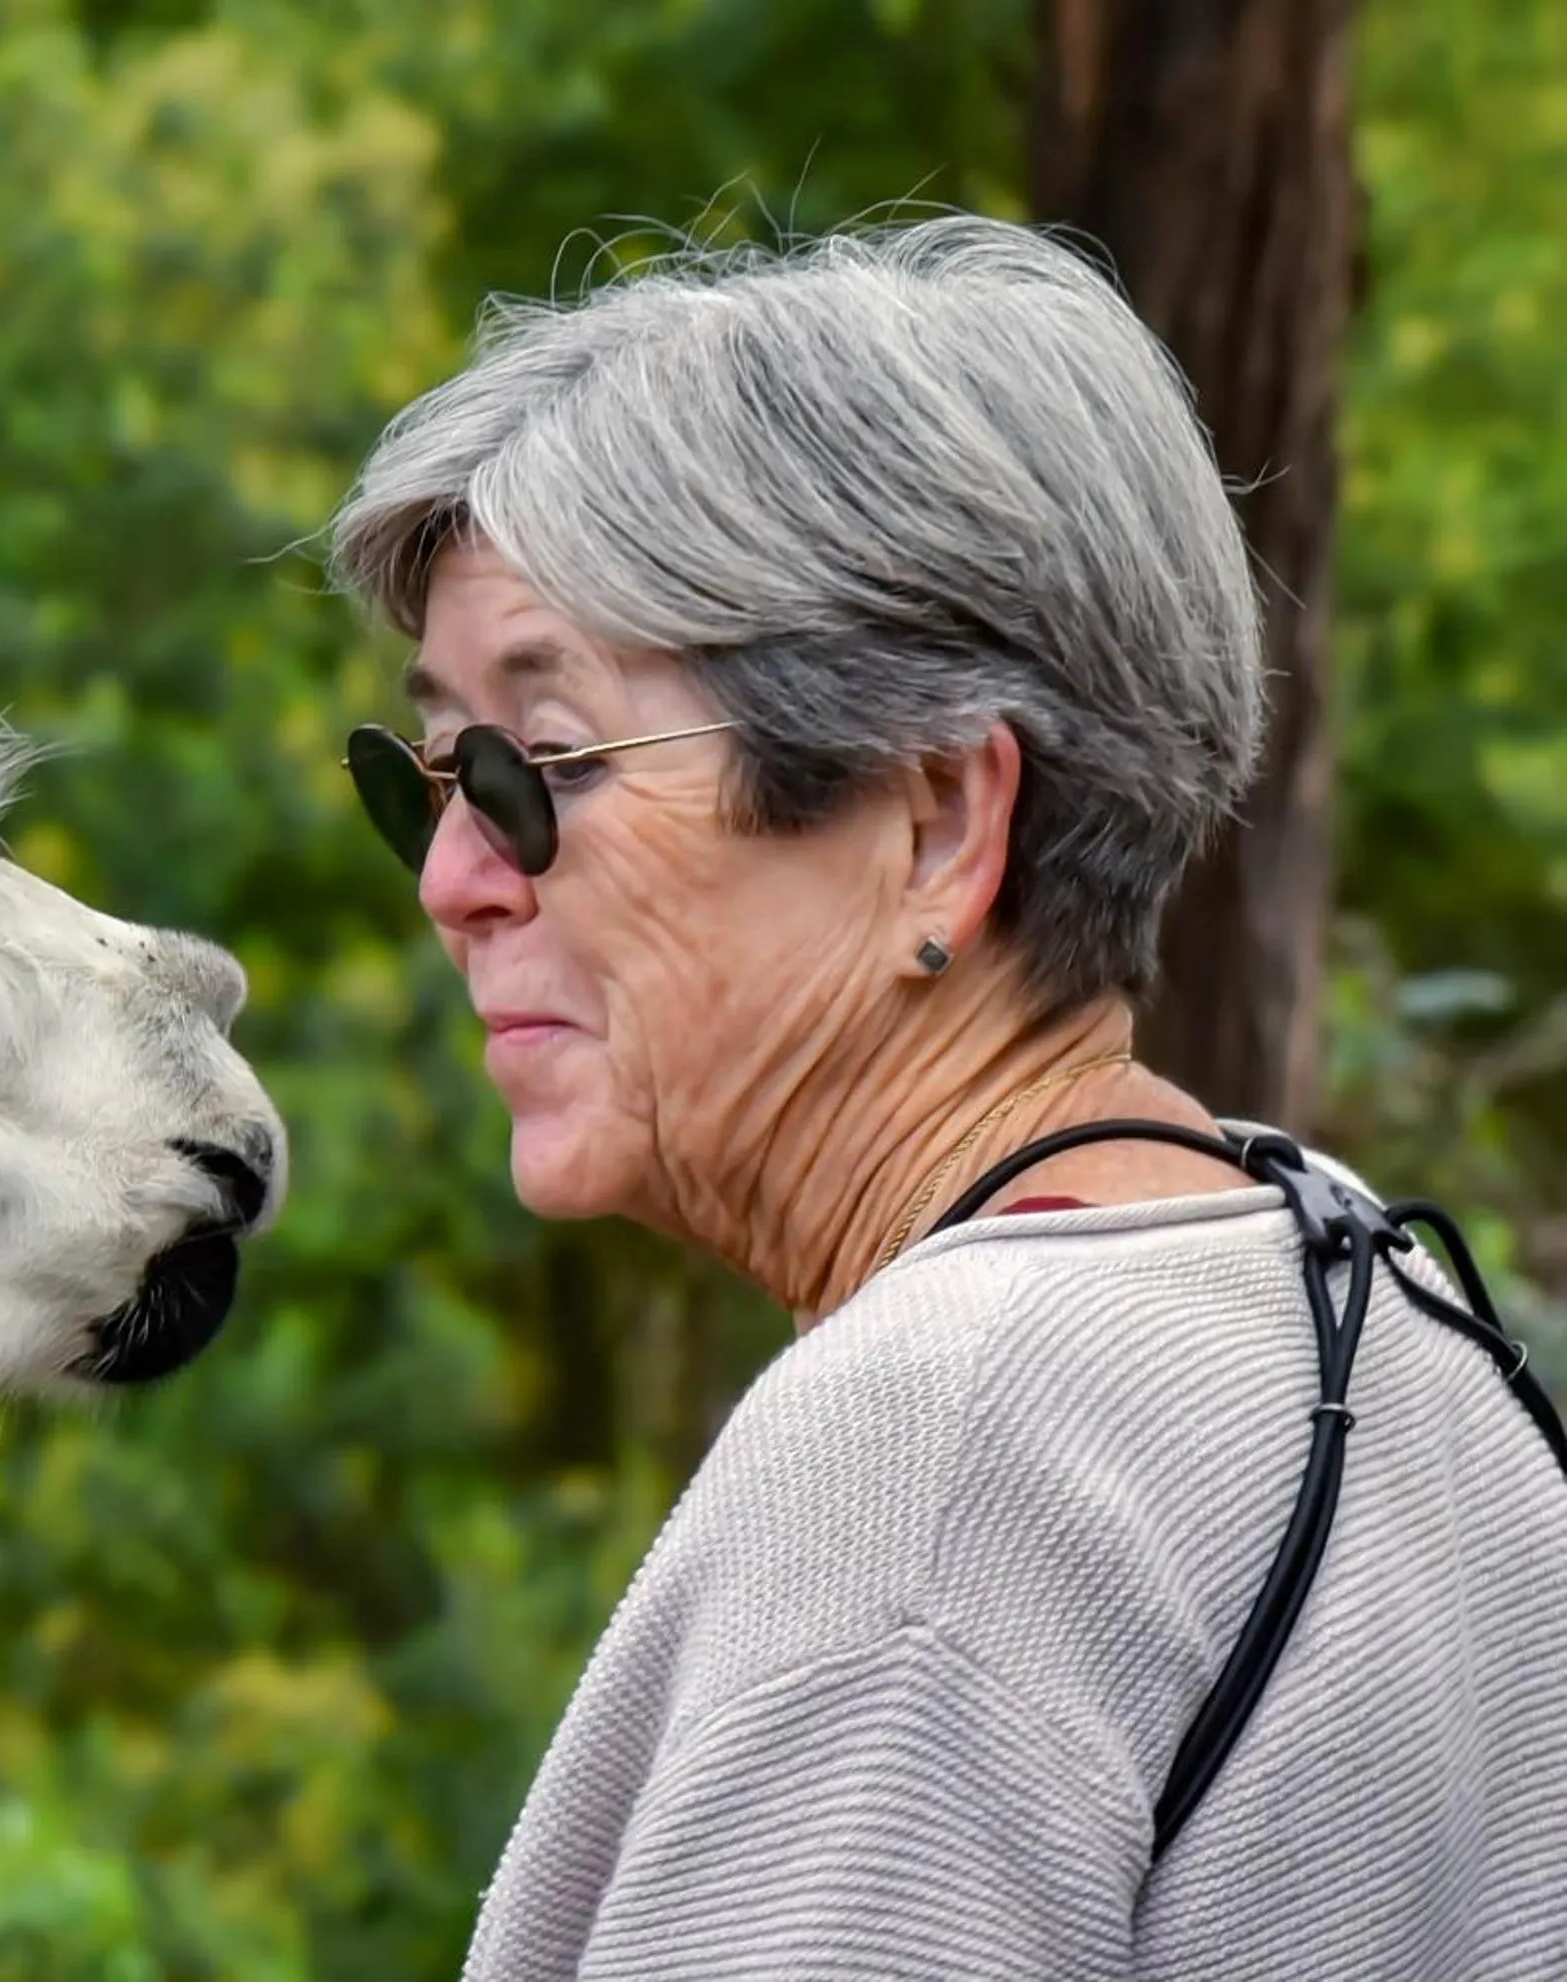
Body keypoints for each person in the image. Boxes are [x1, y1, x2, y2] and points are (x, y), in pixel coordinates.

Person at [324, 215, 1567, 1980]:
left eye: (546, 764)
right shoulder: (1406, 1332)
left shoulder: (943, 1449)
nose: (455, 877)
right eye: (434, 772)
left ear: (933, 824)